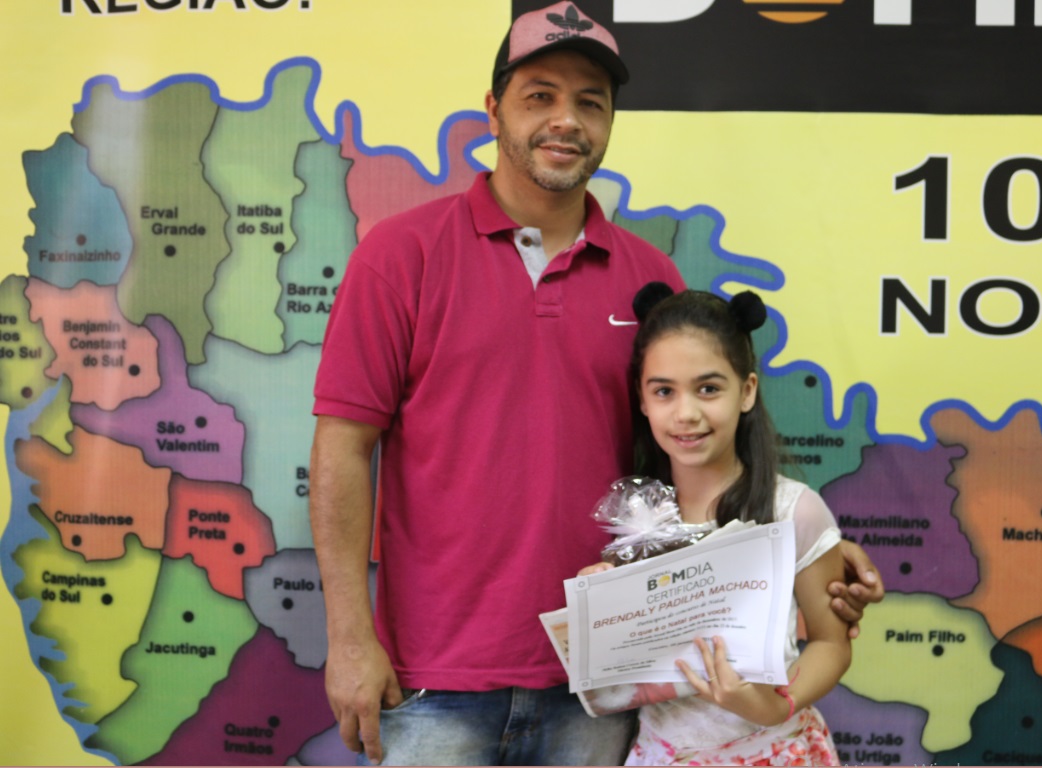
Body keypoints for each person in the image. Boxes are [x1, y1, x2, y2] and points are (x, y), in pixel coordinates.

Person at [309, 3, 882, 766]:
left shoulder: (650, 278)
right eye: (539, 96)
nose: (566, 120)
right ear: (494, 109)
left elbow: (696, 465)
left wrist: (809, 557)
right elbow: (343, 448)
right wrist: (350, 637)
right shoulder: (399, 257)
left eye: (590, 102)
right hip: (432, 681)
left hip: (605, 688)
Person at [581, 283, 851, 766]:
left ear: (746, 391)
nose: (686, 414)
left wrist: (777, 704)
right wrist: (598, 609)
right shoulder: (636, 517)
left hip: (773, 750)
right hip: (664, 753)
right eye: (664, 391)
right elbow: (625, 667)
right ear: (642, 399)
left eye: (708, 389)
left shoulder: (793, 509)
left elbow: (832, 642)